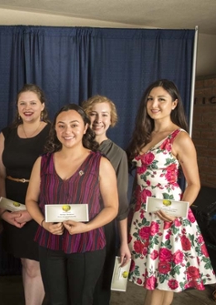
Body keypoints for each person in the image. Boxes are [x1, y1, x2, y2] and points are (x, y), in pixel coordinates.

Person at [126, 79, 216, 305]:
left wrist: (177, 212)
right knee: (160, 281)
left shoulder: (180, 137)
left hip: (167, 218)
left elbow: (194, 183)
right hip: (142, 216)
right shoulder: (144, 134)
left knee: (159, 282)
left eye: (161, 99)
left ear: (174, 104)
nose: (154, 104)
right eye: (150, 99)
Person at [26, 104, 119, 305]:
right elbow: (31, 201)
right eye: (61, 126)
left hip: (88, 244)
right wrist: (44, 223)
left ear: (85, 127)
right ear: (55, 129)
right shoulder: (42, 162)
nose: (67, 131)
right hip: (50, 242)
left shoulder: (100, 163)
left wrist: (86, 227)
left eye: (74, 125)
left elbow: (112, 207)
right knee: (55, 299)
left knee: (82, 300)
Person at [0, 84, 50, 305]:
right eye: (22, 103)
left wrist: (33, 211)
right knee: (26, 264)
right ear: (17, 107)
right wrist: (2, 210)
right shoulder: (5, 134)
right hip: (12, 205)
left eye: (33, 103)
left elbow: (57, 177)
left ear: (42, 106)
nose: (28, 108)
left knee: (35, 265)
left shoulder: (54, 133)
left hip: (41, 205)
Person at [81, 95, 131, 305]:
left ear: (111, 120)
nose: (98, 119)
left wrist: (124, 243)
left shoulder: (117, 154)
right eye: (93, 113)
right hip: (75, 221)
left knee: (99, 285)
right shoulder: (73, 146)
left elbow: (120, 203)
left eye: (104, 115)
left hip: (104, 227)